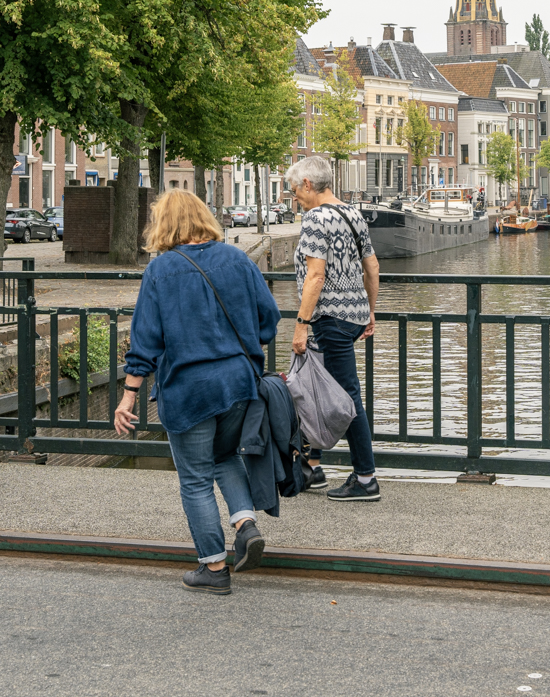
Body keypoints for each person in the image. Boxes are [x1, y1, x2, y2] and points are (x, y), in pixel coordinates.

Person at [116, 190, 281, 596]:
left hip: (190, 389)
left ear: (164, 224)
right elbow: (269, 317)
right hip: (238, 383)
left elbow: (146, 339)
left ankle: (214, 567)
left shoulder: (161, 271)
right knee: (225, 456)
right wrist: (245, 346)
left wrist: (129, 394)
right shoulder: (238, 259)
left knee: (194, 480)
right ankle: (245, 524)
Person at [285, 155, 381, 502]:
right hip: (353, 317)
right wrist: (369, 311)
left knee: (345, 396)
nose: (294, 197)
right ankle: (312, 466)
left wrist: (301, 325)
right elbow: (372, 266)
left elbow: (316, 275)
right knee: (311, 386)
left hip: (330, 319)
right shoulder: (352, 212)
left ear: (308, 185)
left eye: (295, 190)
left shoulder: (314, 218)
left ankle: (366, 478)